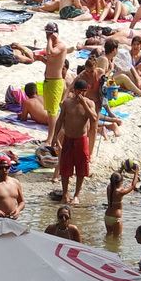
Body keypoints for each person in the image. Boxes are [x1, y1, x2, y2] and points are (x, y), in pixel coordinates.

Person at [53, 76, 96, 205]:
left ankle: (76, 195)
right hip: (68, 138)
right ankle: (65, 194)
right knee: (65, 168)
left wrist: (84, 104)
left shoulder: (90, 103)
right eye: (78, 91)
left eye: (83, 91)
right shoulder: (67, 103)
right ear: (74, 90)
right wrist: (55, 136)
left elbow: (94, 118)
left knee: (81, 169)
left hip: (81, 139)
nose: (80, 94)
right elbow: (60, 120)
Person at [104, 160, 138, 234]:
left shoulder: (109, 187)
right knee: (117, 238)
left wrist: (122, 168)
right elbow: (133, 185)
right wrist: (136, 173)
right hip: (116, 218)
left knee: (108, 235)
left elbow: (114, 177)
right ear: (120, 182)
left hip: (107, 216)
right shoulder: (120, 192)